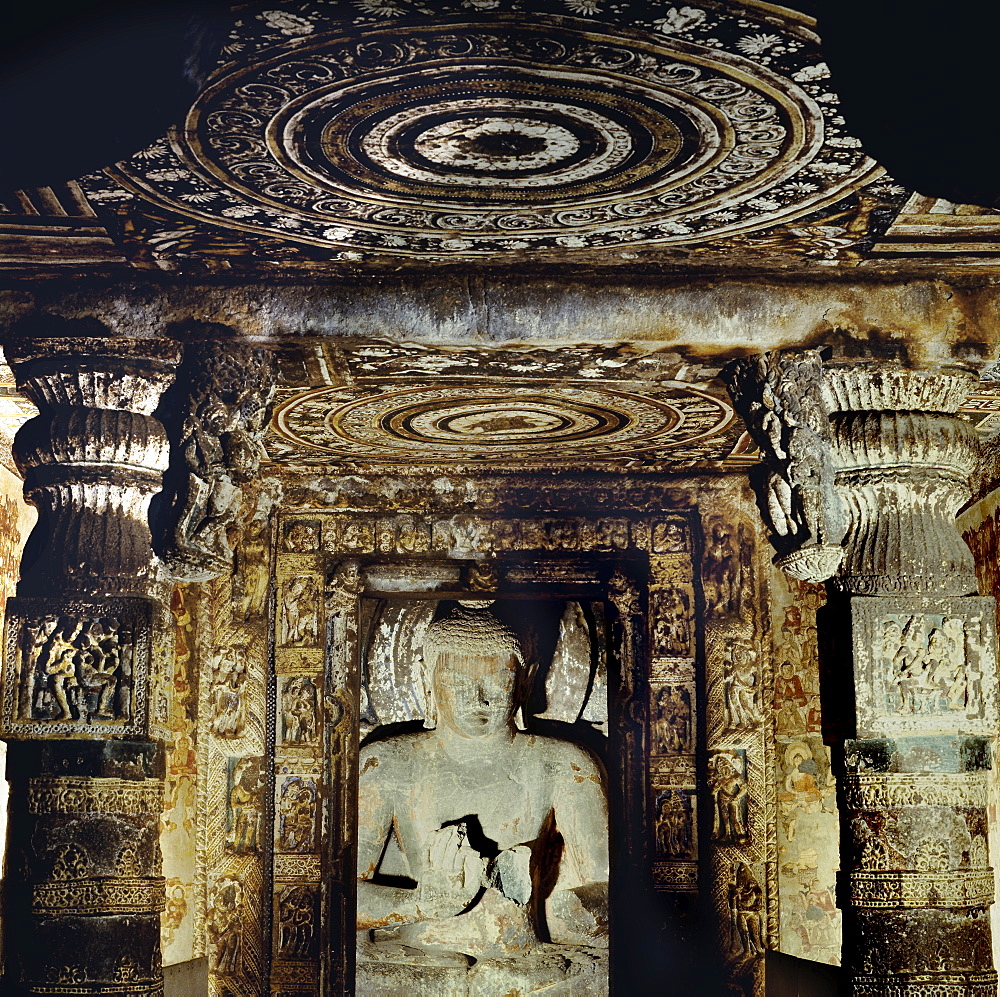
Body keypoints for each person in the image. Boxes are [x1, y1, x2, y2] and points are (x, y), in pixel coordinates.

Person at [356, 603, 609, 962]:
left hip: (523, 962)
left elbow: (611, 885)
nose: (479, 699)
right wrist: (420, 904)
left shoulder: (563, 764)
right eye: (457, 681)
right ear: (427, 681)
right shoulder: (387, 763)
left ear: (525, 680)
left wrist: (579, 909)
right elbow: (339, 897)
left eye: (497, 681)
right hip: (422, 960)